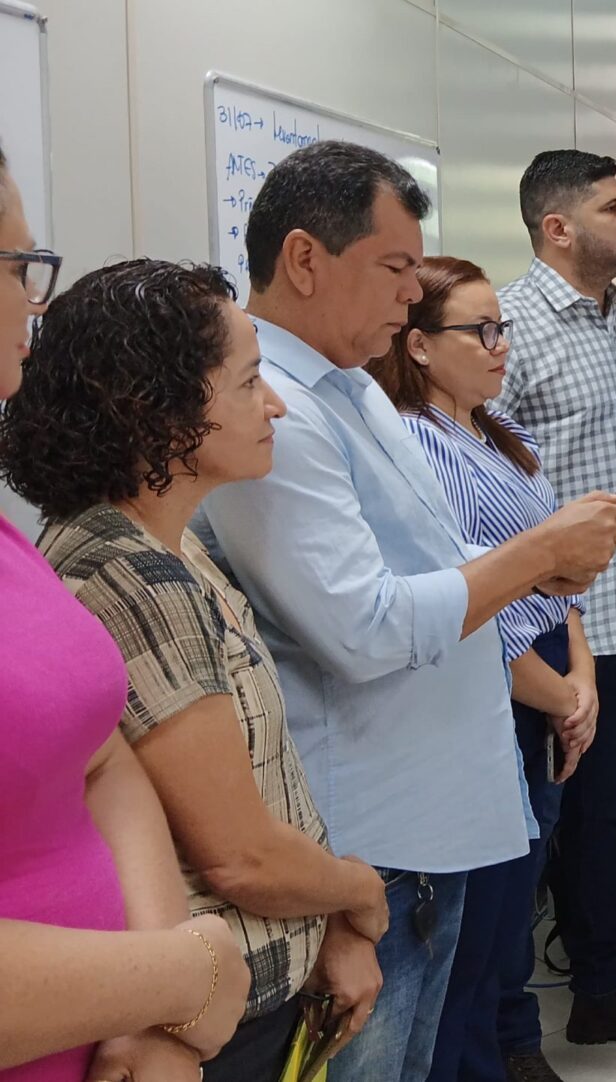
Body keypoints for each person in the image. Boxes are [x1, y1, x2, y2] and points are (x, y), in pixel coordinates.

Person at [193, 140, 616, 1082]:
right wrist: (535, 555)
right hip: (371, 838)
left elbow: (436, 560)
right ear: (305, 259)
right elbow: (361, 628)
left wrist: (532, 573)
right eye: (393, 267)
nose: (408, 293)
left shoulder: (353, 386)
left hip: (429, 821)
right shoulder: (277, 409)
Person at [2, 258, 387, 1081]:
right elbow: (239, 854)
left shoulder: (172, 547)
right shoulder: (133, 576)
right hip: (213, 1021)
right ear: (160, 413)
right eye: (248, 383)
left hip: (225, 991)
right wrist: (359, 890)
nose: (275, 404)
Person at [0, 144, 249, 1082]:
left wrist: (150, 1018)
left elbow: (100, 756)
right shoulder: (116, 561)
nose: (33, 300)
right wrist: (183, 973)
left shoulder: (12, 542)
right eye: (18, 265)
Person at [368, 256, 599, 1082]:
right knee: (476, 935)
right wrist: (558, 694)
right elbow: (472, 608)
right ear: (420, 345)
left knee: (509, 916)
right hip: (501, 685)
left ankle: (499, 1051)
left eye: (503, 328)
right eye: (482, 330)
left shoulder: (501, 434)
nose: (501, 346)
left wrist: (583, 675)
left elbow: (557, 571)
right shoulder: (419, 448)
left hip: (550, 671)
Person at [492, 150, 616, 1055]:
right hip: (564, 630)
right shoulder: (511, 328)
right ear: (558, 227)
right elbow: (488, 482)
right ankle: (596, 989)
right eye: (614, 208)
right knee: (579, 822)